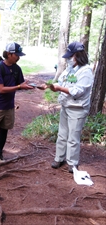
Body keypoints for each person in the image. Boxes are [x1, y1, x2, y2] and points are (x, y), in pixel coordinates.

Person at [41, 41, 94, 173]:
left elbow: (78, 91)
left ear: (78, 55)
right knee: (62, 134)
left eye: (71, 56)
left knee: (73, 137)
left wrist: (60, 88)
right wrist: (50, 86)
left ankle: (72, 163)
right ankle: (59, 158)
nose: (69, 59)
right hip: (66, 106)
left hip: (77, 109)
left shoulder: (86, 71)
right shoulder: (69, 69)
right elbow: (61, 82)